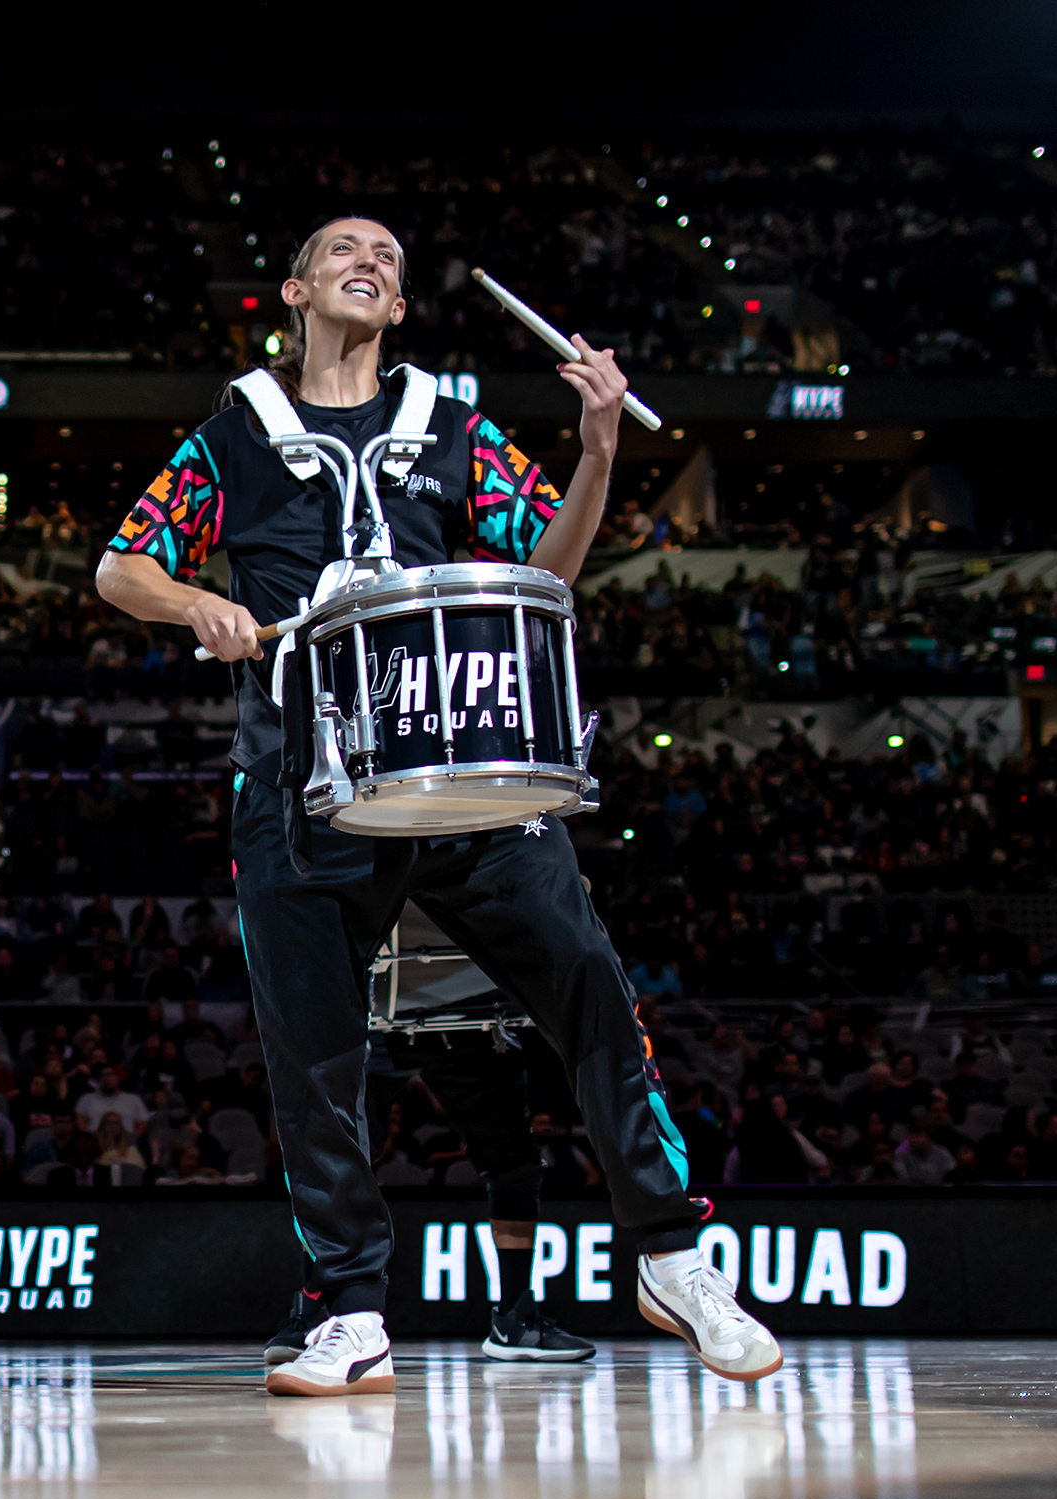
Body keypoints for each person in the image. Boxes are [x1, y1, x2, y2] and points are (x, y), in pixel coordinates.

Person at [98, 216, 778, 1396]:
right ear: (295, 289)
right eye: (344, 251)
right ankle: (350, 1307)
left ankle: (673, 1256)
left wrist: (599, 451)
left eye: (389, 261)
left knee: (591, 992)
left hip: (465, 772)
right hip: (301, 781)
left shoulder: (454, 427)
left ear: (402, 308)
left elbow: (547, 570)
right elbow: (121, 567)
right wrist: (192, 600)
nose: (370, 262)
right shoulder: (231, 435)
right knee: (313, 1053)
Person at [264, 1034, 597, 1368]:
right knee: (333, 1156)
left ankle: (515, 1319)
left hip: (471, 1026)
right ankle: (314, 1312)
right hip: (376, 1026)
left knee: (515, 1161)